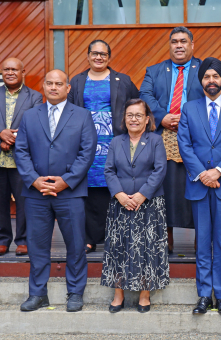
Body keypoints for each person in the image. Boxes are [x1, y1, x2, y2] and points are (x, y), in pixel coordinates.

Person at [15, 70, 97, 312]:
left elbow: (87, 152)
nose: (53, 87)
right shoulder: (30, 116)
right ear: (43, 86)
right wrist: (34, 180)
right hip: (36, 193)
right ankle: (38, 294)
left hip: (70, 192)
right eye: (49, 83)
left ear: (68, 88)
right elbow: (20, 151)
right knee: (37, 245)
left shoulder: (82, 116)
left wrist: (66, 181)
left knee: (75, 244)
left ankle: (75, 293)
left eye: (58, 84)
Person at [177, 57, 221, 315]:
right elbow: (184, 145)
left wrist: (217, 171)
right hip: (199, 185)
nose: (211, 81)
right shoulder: (189, 108)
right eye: (207, 77)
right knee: (202, 241)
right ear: (201, 81)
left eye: (215, 77)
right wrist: (202, 174)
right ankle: (204, 295)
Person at [68, 40, 140, 254]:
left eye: (103, 54)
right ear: (88, 55)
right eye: (94, 54)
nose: (99, 57)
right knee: (88, 193)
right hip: (86, 145)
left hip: (114, 144)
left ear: (109, 57)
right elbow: (70, 111)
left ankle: (114, 237)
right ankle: (89, 238)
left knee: (115, 190)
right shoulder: (77, 81)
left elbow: (136, 106)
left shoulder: (123, 80)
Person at [140, 26, 205, 252]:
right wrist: (163, 116)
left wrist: (188, 118)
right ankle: (165, 239)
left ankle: (201, 239)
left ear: (192, 45)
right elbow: (145, 96)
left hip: (197, 137)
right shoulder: (155, 70)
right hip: (162, 136)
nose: (179, 45)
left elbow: (215, 94)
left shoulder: (205, 69)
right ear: (170, 46)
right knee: (164, 188)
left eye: (183, 41)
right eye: (174, 41)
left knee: (197, 186)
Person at [102, 99, 169, 314]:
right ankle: (118, 294)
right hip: (120, 203)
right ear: (124, 118)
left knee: (148, 248)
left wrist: (142, 195)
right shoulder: (115, 142)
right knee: (119, 247)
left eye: (138, 115)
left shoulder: (155, 140)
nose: (134, 119)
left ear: (147, 119)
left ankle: (144, 294)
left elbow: (160, 170)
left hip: (149, 203)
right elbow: (109, 171)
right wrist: (120, 195)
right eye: (130, 115)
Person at [0, 57, 43, 256]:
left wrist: (13, 137)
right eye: (6, 69)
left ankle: (23, 241)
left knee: (25, 202)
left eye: (14, 69)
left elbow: (35, 123)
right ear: (2, 72)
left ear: (23, 72)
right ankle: (2, 240)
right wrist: (1, 134)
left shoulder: (34, 97)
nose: (10, 72)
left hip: (22, 159)